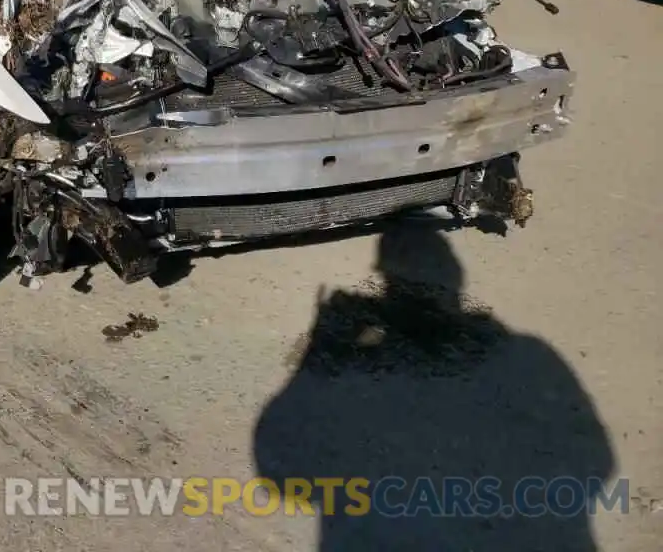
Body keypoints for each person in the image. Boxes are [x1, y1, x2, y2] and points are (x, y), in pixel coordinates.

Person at [254, 223, 614, 551]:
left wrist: (323, 347)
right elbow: (595, 458)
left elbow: (279, 462)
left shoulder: (522, 357)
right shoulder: (529, 356)